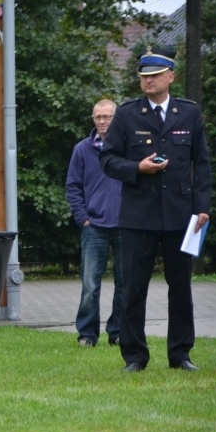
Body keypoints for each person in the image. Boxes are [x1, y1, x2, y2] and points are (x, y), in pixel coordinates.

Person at [99, 46, 211, 373]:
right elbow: (107, 159)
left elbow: (202, 164)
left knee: (181, 287)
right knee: (134, 287)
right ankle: (134, 356)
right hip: (138, 214)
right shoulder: (128, 114)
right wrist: (137, 168)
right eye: (144, 77)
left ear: (171, 76)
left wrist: (202, 208)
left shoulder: (188, 113)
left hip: (181, 214)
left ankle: (180, 355)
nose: (148, 82)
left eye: (155, 76)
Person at [65, 99, 123, 348]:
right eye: (98, 117)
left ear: (116, 118)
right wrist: (83, 219)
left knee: (126, 283)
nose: (102, 121)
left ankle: (119, 332)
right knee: (90, 284)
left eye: (107, 116)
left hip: (126, 225)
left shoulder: (128, 147)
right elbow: (73, 186)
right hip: (94, 227)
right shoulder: (82, 149)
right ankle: (87, 335)